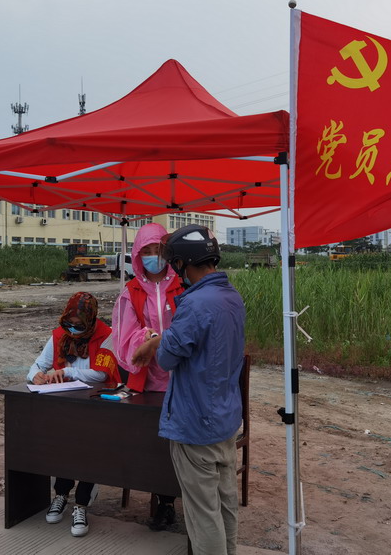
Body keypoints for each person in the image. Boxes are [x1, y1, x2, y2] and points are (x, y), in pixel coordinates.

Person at [131, 224, 245, 555]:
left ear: (182, 263)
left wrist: (155, 341)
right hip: (225, 418)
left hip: (195, 424)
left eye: (174, 262)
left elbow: (168, 359)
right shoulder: (231, 297)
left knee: (202, 513)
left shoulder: (194, 304)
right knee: (225, 503)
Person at [27, 291, 120, 537]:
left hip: (95, 408)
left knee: (88, 452)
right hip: (65, 406)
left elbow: (101, 374)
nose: (73, 329)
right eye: (69, 323)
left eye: (79, 325)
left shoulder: (107, 335)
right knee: (63, 449)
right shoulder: (59, 334)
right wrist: (36, 375)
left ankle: (81, 504)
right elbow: (38, 364)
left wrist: (68, 372)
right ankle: (60, 495)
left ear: (91, 320)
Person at [111, 222, 183, 530]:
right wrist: (149, 337)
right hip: (149, 380)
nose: (154, 256)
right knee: (153, 443)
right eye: (148, 251)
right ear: (138, 255)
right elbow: (123, 338)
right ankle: (161, 502)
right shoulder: (131, 292)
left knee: (179, 443)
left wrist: (162, 341)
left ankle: (171, 500)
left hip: (182, 378)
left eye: (159, 250)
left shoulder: (183, 284)